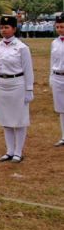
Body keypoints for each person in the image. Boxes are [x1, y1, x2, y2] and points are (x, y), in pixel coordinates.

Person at [0, 15, 34, 163]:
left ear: (14, 29)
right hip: (2, 84)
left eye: (7, 27)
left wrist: (29, 90)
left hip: (17, 84)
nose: (3, 30)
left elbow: (28, 70)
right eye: (2, 27)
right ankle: (9, 151)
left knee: (19, 119)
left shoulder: (22, 47)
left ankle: (18, 152)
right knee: (5, 119)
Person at [51, 15, 64, 147]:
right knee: (61, 109)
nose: (60, 29)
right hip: (57, 77)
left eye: (62, 27)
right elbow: (52, 61)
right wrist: (51, 77)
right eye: (58, 27)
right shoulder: (54, 43)